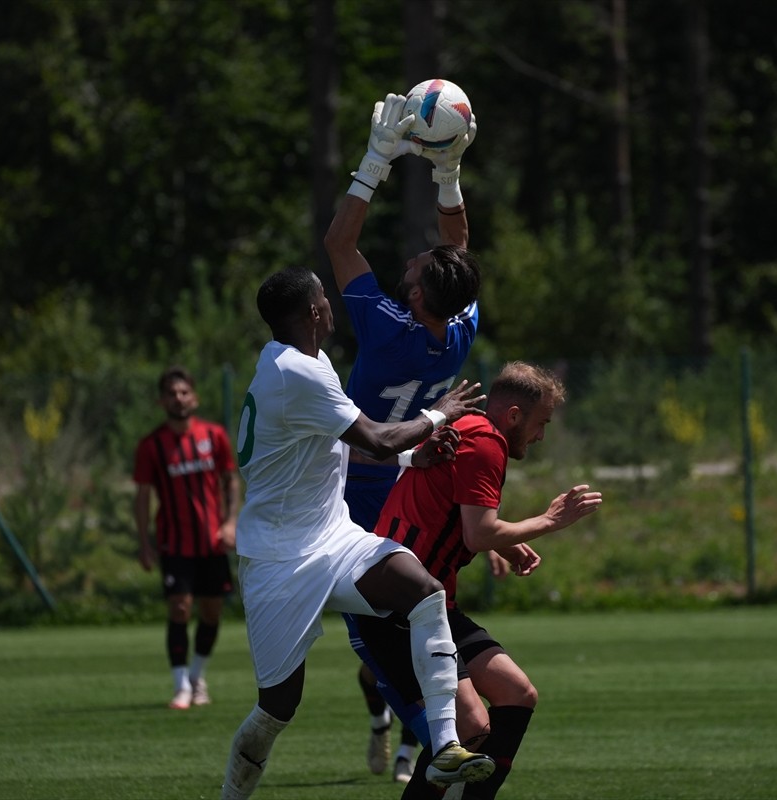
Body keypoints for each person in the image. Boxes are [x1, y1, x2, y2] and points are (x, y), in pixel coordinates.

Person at [220, 266, 495, 799]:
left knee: (423, 591)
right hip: (279, 558)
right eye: (325, 297)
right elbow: (376, 436)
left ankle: (444, 749)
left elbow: (345, 446)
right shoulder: (294, 371)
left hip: (332, 536)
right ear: (314, 313)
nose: (331, 304)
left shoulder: (304, 361)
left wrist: (414, 456)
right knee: (278, 707)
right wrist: (438, 415)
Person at [324, 89, 494, 783]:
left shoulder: (388, 330)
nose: (417, 261)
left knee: (369, 627)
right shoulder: (458, 333)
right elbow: (458, 251)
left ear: (419, 295)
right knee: (407, 607)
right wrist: (448, 172)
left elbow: (340, 242)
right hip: (403, 479)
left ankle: (429, 737)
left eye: (419, 269)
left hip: (353, 483)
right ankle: (438, 730)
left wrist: (376, 161)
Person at [348, 361, 603, 800]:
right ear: (515, 416)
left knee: (517, 693)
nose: (541, 436)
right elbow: (478, 531)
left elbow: (451, 509)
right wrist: (549, 520)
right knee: (471, 728)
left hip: (429, 604)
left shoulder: (466, 426)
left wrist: (500, 543)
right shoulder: (487, 444)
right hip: (395, 608)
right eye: (541, 423)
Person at [134, 366, 241, 709]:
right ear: (161, 400)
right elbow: (142, 496)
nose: (178, 398)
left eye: (184, 392)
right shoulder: (152, 446)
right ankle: (180, 685)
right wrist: (144, 542)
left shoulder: (214, 435)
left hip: (211, 543)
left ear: (194, 397)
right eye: (171, 393)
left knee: (211, 613)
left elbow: (231, 480)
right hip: (174, 544)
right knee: (179, 609)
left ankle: (197, 676)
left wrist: (230, 522)